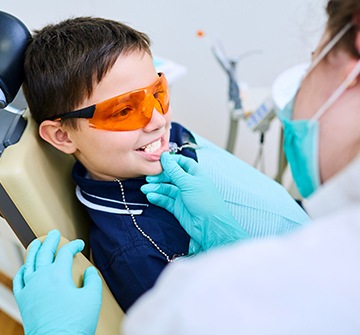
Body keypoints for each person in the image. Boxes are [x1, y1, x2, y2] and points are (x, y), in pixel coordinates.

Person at [11, 0, 360, 333]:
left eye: (158, 93)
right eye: (123, 111)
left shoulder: (157, 144)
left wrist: (223, 235)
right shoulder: (136, 251)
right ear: (62, 135)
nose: (158, 120)